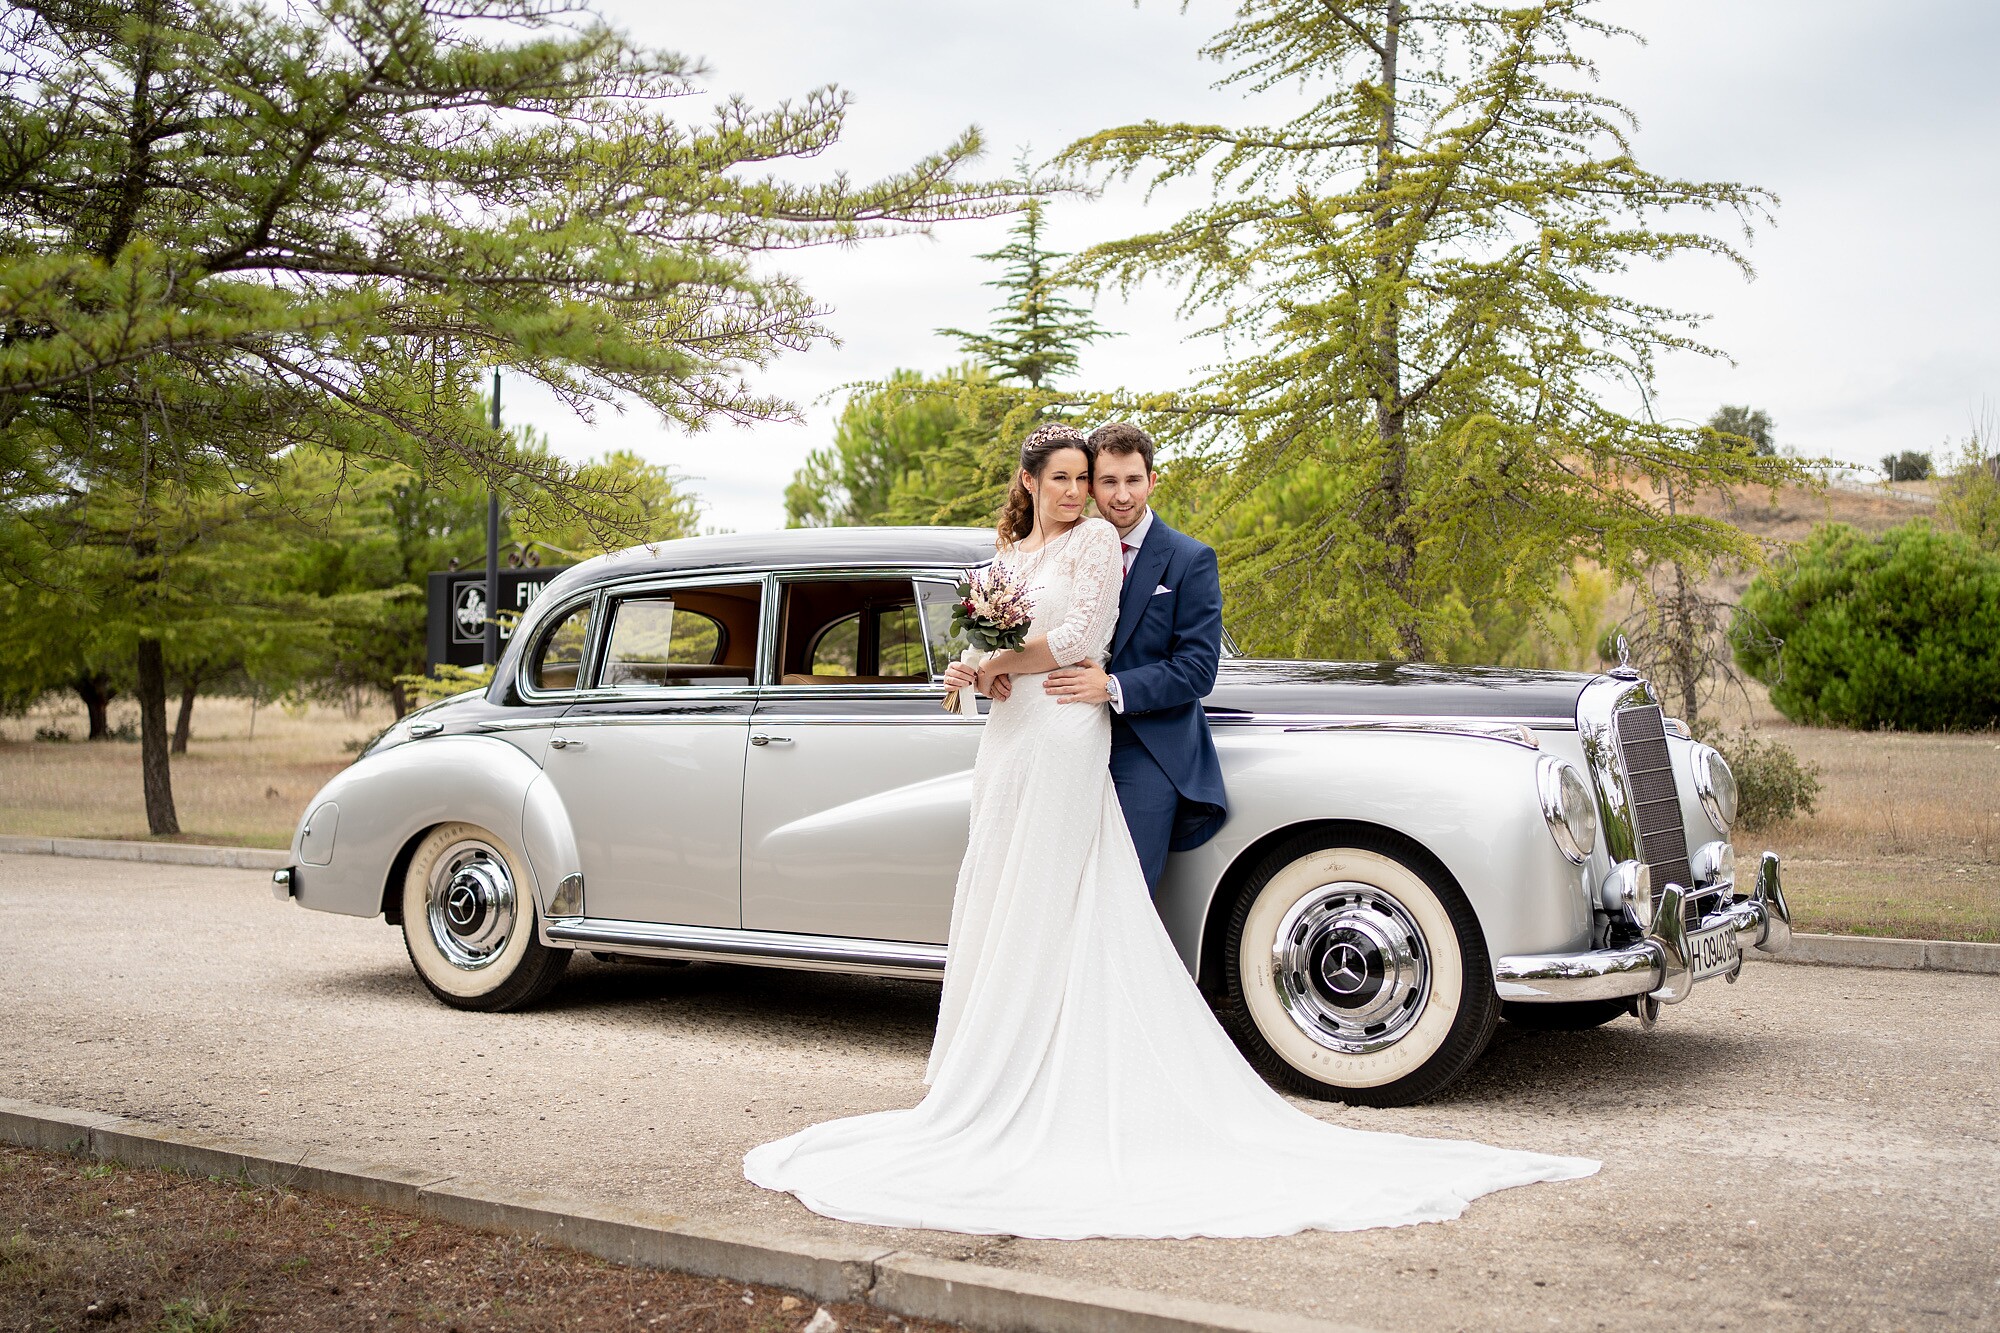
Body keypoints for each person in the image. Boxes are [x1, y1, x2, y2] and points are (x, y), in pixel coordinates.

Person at [742, 423, 1597, 1240]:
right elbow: (1010, 635)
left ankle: (1095, 1074)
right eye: (1083, 480)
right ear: (1036, 485)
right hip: (1027, 732)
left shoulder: (1168, 554)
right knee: (1022, 888)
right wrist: (984, 666)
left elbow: (1158, 656)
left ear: (1148, 481)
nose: (1100, 493)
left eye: (1114, 479)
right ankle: (1020, 1057)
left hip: (1127, 736)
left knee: (1107, 902)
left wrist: (1076, 680)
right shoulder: (1014, 553)